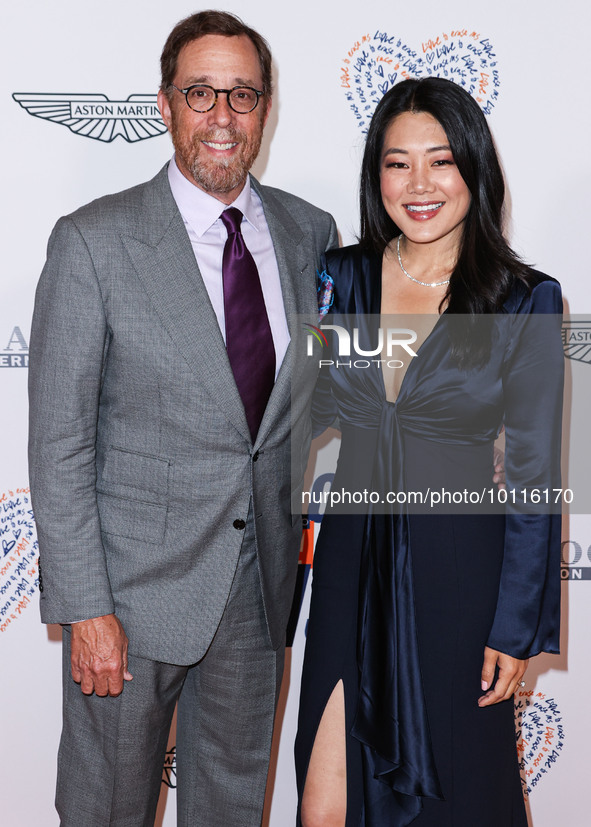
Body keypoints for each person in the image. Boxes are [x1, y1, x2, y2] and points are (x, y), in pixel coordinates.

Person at [28, 10, 337, 827]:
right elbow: (59, 443)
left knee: (235, 808)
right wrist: (84, 607)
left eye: (242, 95)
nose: (223, 117)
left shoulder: (311, 235)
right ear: (165, 104)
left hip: (260, 587)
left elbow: (329, 398)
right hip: (126, 603)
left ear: (265, 107)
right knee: (106, 810)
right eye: (201, 93)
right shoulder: (93, 241)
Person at [295, 77, 563, 826]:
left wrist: (517, 627)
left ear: (472, 168)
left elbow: (535, 476)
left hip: (460, 574)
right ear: (373, 174)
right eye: (395, 162)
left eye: (439, 161)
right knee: (323, 804)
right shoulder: (336, 279)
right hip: (349, 564)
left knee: (454, 802)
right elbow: (294, 416)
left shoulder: (521, 299)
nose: (417, 184)